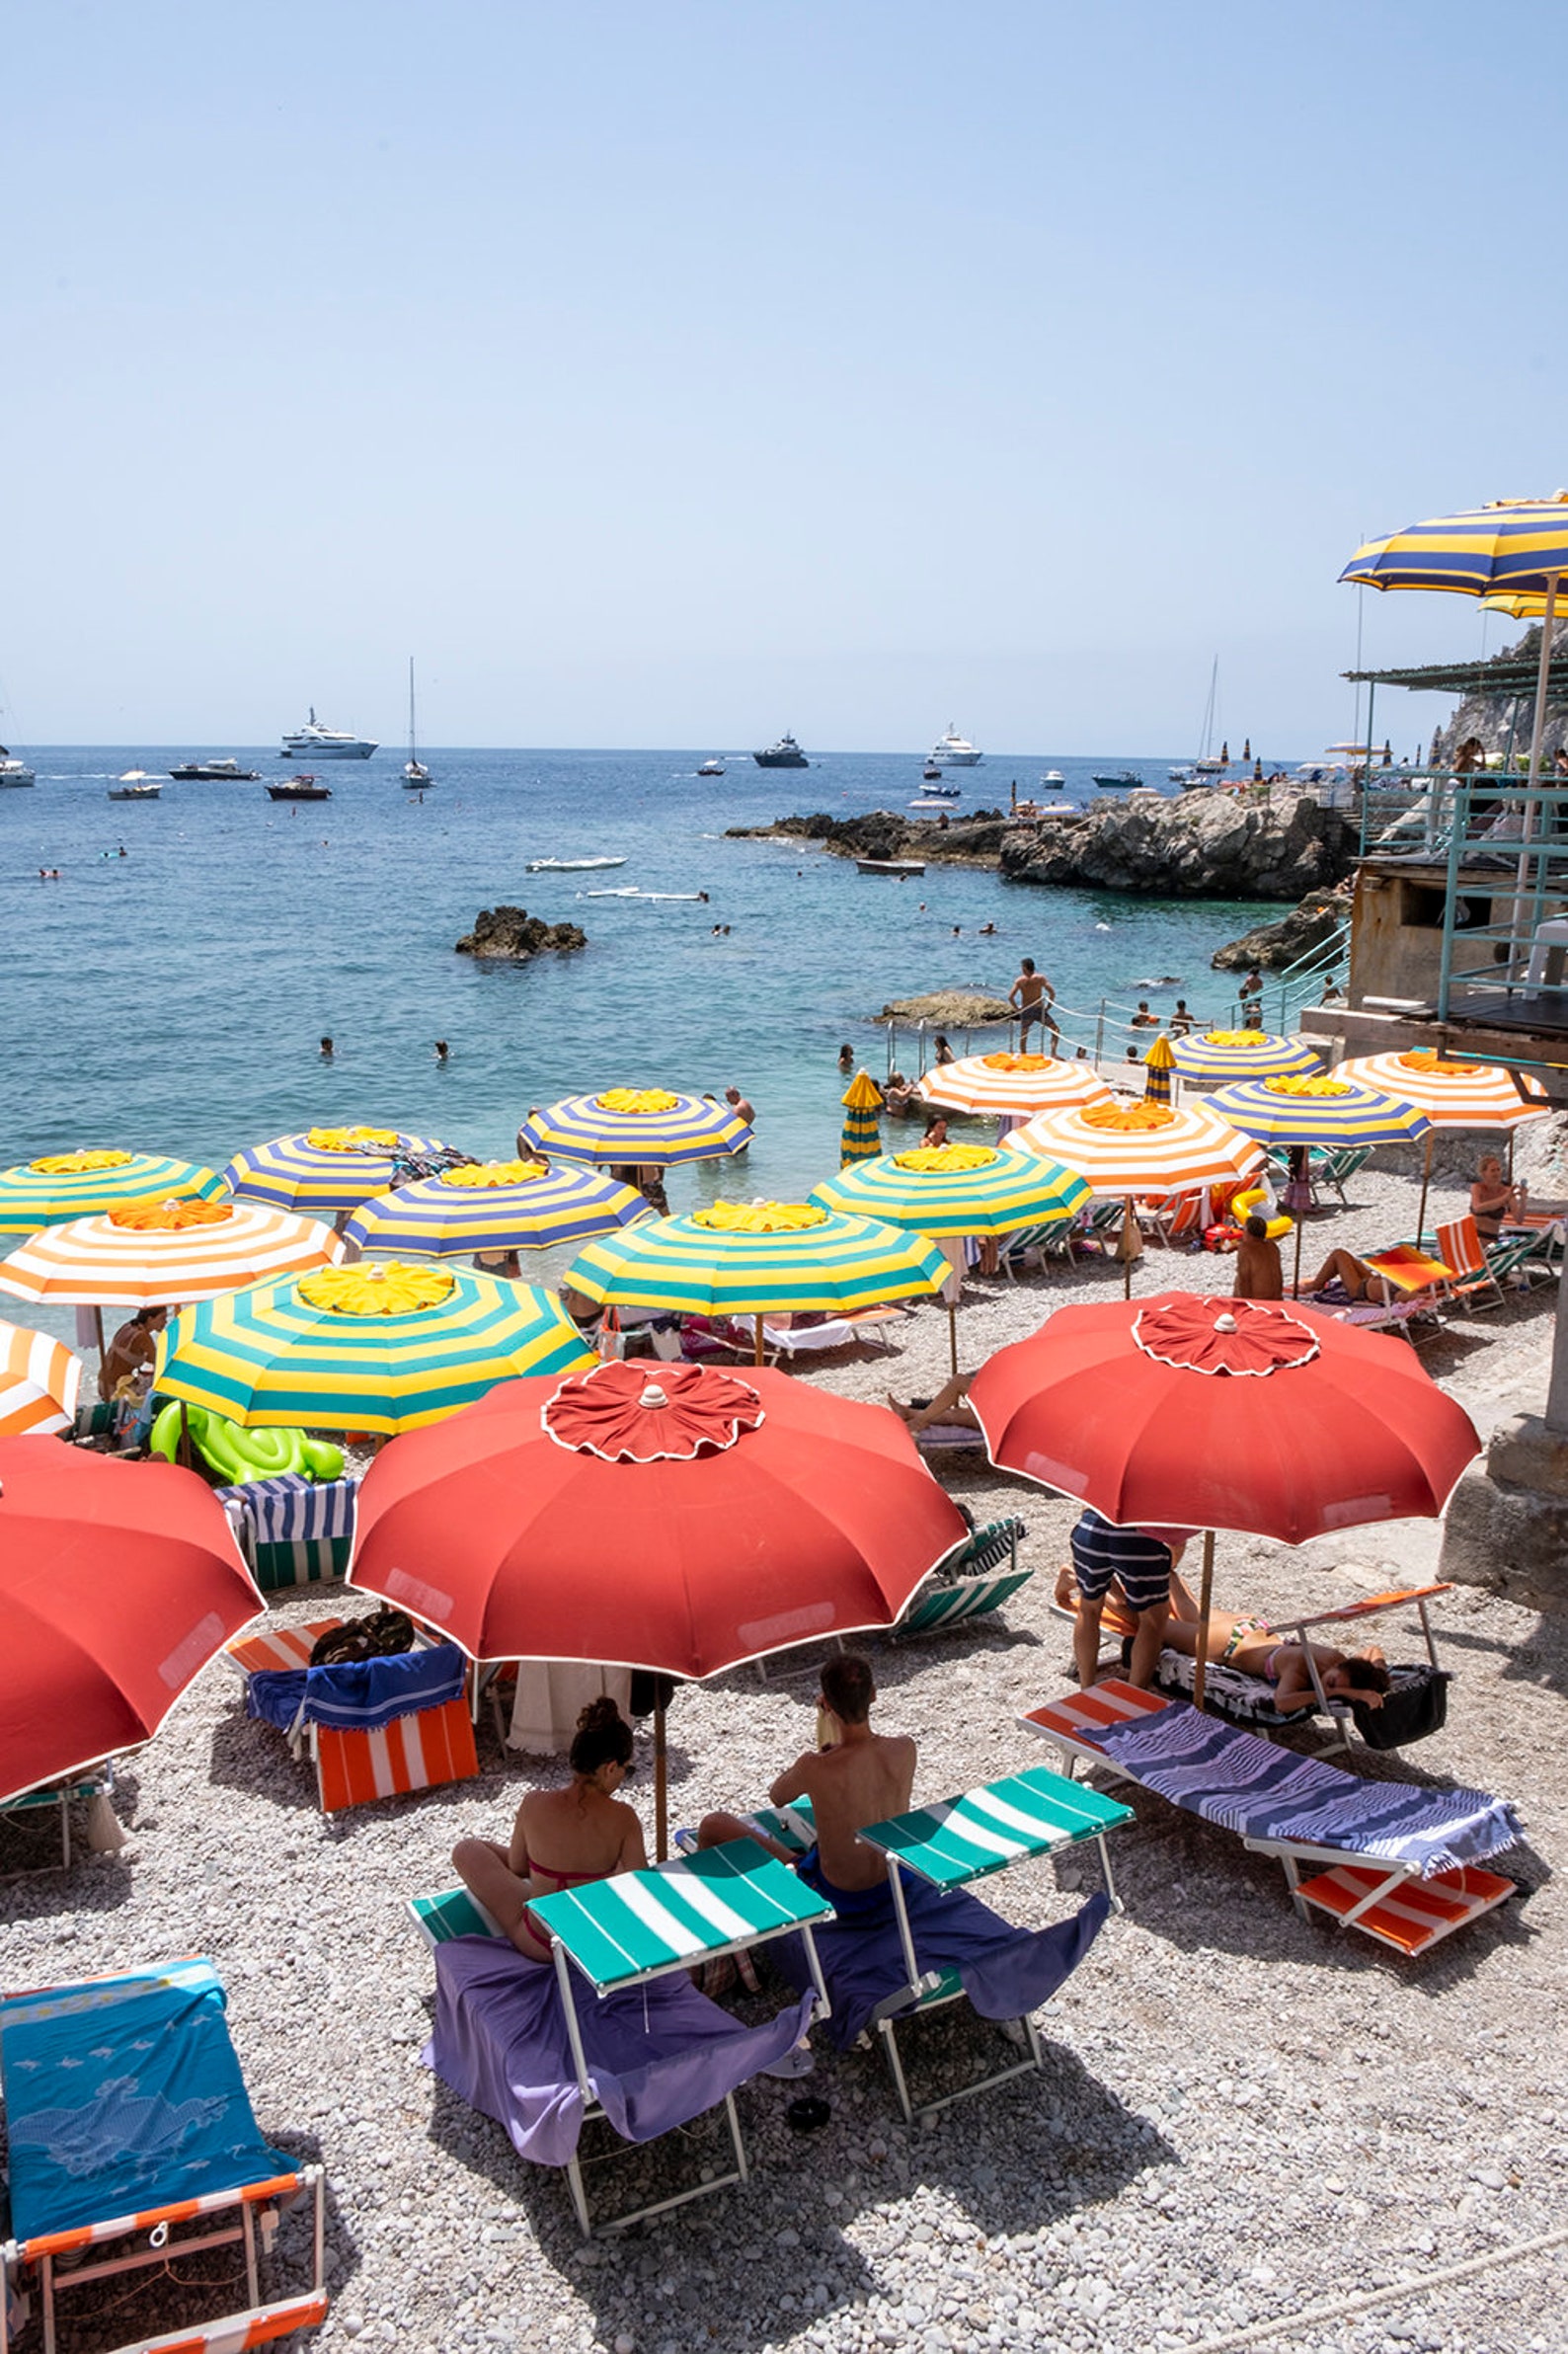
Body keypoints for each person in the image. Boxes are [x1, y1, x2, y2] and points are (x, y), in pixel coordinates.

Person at [696, 1654, 915, 1913]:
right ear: (874, 1694)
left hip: (841, 1894)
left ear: (826, 1704)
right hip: (898, 1878)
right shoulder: (905, 1748)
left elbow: (777, 1796)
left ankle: (717, 1915)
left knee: (713, 1824)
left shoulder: (816, 1766)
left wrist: (825, 1750)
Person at [451, 1697, 646, 1963]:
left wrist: (550, 1861)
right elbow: (640, 1886)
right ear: (611, 1767)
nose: (624, 1775)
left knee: (467, 1849)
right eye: (626, 1768)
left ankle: (550, 1874)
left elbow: (519, 1867)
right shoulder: (624, 1818)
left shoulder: (534, 1804)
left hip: (539, 1941)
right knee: (616, 1872)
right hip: (594, 1942)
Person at [1158, 1582, 1390, 1713]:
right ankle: (1128, 1580)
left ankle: (1155, 1563)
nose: (1324, 1685)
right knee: (1152, 1622)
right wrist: (1339, 1692)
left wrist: (1375, 1676)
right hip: (1228, 1643)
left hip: (1251, 1628)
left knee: (1185, 1605)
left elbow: (1373, 1651)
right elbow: (1282, 1702)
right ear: (1343, 1666)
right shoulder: (1299, 1667)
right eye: (1330, 1682)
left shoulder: (1337, 1660)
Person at [1069, 1507, 1184, 1692]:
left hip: (1091, 1527)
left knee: (1088, 1608)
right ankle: (1135, 1692)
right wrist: (1168, 1567)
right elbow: (1177, 1541)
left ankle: (1086, 1686)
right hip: (1137, 1536)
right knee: (1153, 1620)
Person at [99, 1306, 167, 1401]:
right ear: (150, 1319)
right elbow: (160, 1363)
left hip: (103, 1383)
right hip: (115, 1389)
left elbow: (127, 1357)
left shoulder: (128, 1326)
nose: (165, 1322)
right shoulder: (143, 1336)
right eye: (162, 1318)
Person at [887, 1372, 980, 1434]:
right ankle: (909, 1413)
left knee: (959, 1381)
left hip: (994, 1422)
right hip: (992, 1416)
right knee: (958, 1414)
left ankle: (918, 1420)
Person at [1297, 1248, 1395, 1304]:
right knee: (1343, 1255)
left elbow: (1400, 1296)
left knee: (1338, 1254)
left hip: (1359, 1290)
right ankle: (1317, 1283)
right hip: (1374, 1282)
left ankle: (1316, 1285)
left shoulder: (1405, 1293)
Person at [1471, 1151, 1526, 1243]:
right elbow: (1477, 1208)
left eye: (1498, 1169)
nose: (1496, 1173)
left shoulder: (1507, 1191)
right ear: (1483, 1173)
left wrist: (1523, 1199)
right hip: (1473, 1237)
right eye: (1493, 1170)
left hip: (1491, 1239)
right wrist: (1504, 1198)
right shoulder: (1477, 1188)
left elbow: (1519, 1219)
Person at [1009, 957, 1058, 1051]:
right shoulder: (1040, 978)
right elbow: (1052, 992)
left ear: (1024, 968)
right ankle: (1053, 1053)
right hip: (1039, 1009)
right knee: (1055, 1030)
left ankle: (1023, 1055)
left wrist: (1017, 1009)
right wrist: (1049, 1006)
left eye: (1022, 967)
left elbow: (1010, 997)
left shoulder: (1020, 981)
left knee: (1024, 1035)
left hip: (1026, 1010)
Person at [1233, 1214, 1284, 1300]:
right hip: (1277, 1298)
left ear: (1248, 1232)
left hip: (1260, 1300)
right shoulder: (1273, 1246)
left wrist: (1246, 1304)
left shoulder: (1246, 1248)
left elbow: (1244, 1280)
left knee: (1238, 1279)